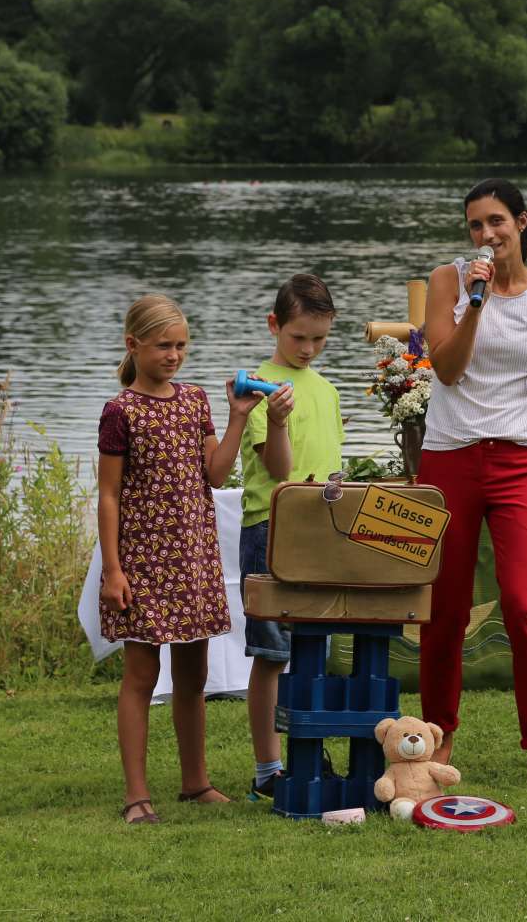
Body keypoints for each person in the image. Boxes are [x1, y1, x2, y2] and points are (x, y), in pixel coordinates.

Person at [418, 177, 527, 790]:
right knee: (445, 610)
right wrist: (476, 301)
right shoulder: (448, 282)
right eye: (475, 226)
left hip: (520, 462)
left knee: (524, 603)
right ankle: (436, 743)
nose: (486, 235)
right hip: (450, 457)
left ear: (522, 222)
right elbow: (449, 370)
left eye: (496, 222)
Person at [98, 293, 263, 824]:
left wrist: (238, 418)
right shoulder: (119, 412)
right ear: (134, 346)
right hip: (143, 560)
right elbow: (108, 495)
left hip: (191, 556)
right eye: (163, 346)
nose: (174, 355)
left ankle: (196, 783)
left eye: (181, 346)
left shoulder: (194, 401)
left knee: (193, 678)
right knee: (142, 677)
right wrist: (113, 569)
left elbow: (215, 474)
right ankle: (136, 795)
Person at [238, 274, 343, 801]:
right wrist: (276, 422)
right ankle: (266, 769)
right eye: (298, 337)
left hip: (321, 532)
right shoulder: (258, 386)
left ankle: (308, 750)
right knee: (272, 654)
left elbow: (329, 472)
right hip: (270, 532)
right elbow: (278, 470)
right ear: (274, 325)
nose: (307, 349)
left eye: (319, 339)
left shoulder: (326, 389)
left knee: (313, 649)